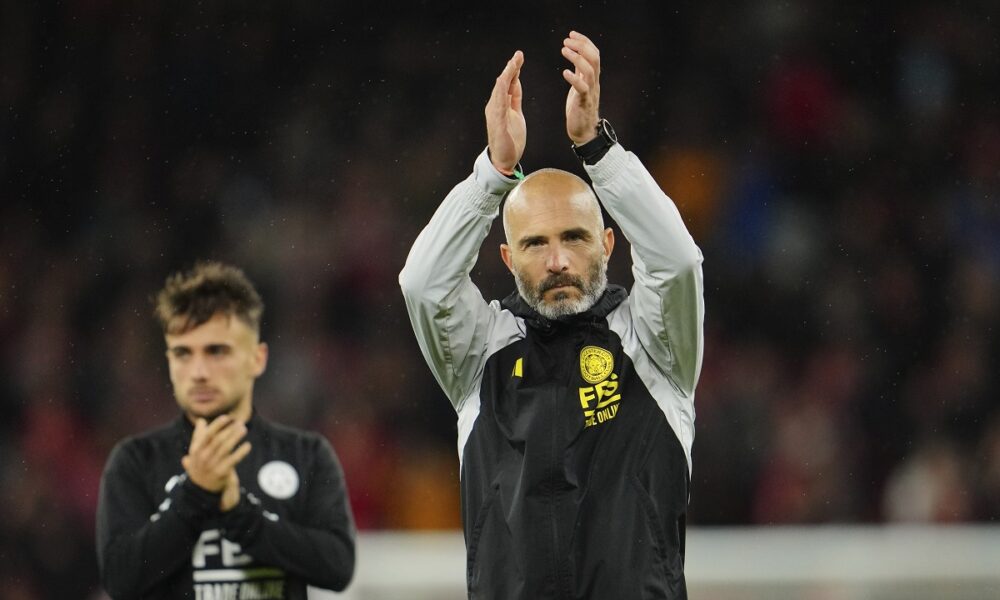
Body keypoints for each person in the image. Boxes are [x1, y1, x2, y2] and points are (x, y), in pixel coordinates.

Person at [399, 32, 705, 599]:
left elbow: (679, 262)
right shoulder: (480, 354)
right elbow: (423, 283)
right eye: (537, 244)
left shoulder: (655, 345)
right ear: (508, 257)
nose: (559, 260)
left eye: (575, 237)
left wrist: (596, 149)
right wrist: (493, 173)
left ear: (609, 244)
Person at [96, 261, 355, 599]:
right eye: (183, 354)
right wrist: (197, 494)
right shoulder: (136, 460)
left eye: (216, 351)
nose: (199, 371)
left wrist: (240, 515)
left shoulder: (305, 454)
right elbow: (120, 579)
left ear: (257, 359)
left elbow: (337, 567)